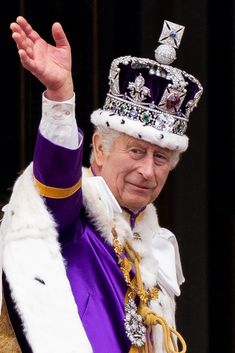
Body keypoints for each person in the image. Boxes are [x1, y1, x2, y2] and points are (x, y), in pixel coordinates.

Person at [0, 16, 203, 353]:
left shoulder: (156, 246)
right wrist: (60, 98)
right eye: (136, 151)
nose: (147, 171)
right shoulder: (71, 217)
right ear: (98, 148)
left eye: (160, 158)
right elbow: (54, 182)